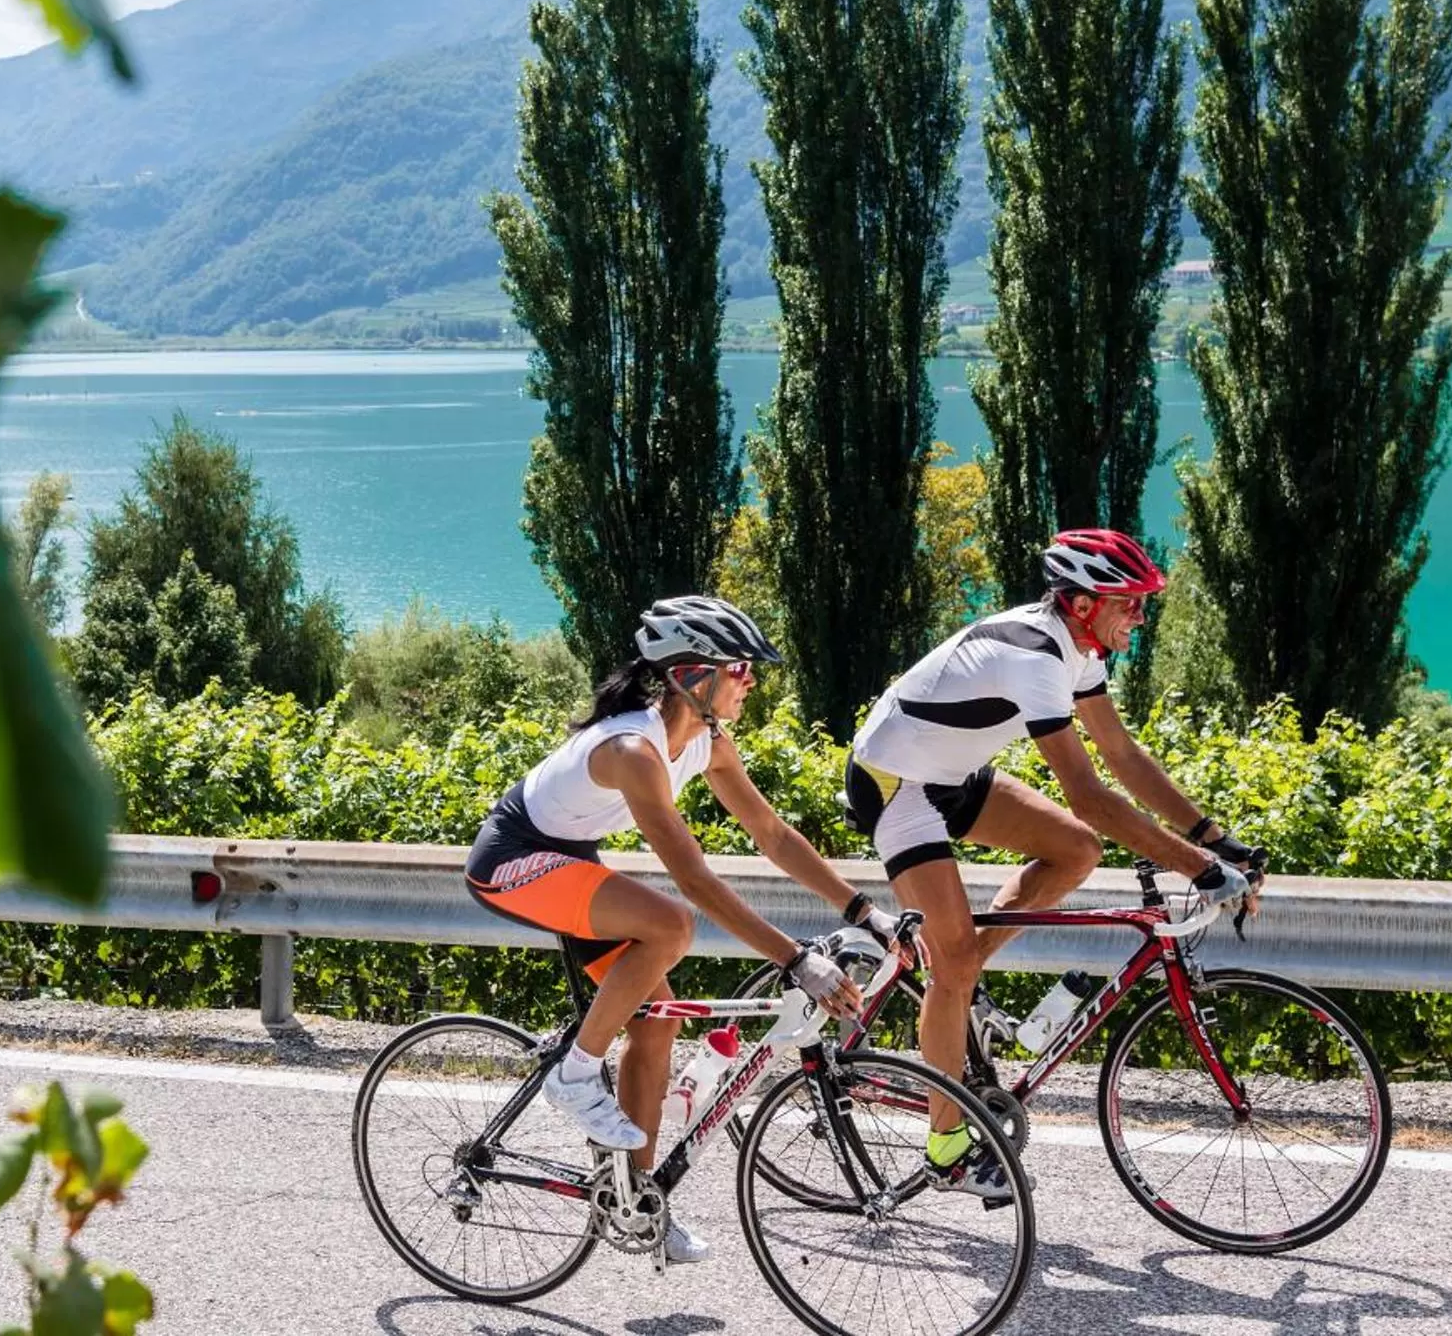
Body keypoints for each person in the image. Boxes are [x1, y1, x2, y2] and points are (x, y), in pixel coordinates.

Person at [465, 594, 892, 1265]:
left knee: (657, 1022)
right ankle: (575, 1074)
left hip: (570, 860)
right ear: (694, 675)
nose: (751, 681)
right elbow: (692, 879)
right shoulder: (633, 749)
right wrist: (794, 959)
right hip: (512, 860)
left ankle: (634, 1201)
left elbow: (773, 834)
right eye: (740, 669)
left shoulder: (708, 742)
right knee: (670, 922)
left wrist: (862, 909)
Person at [846, 528, 1263, 1200]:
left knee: (1077, 850)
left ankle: (959, 978)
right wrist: (1198, 868)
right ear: (1082, 603)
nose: (1140, 616)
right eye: (1129, 602)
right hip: (895, 782)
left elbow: (1123, 756)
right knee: (955, 962)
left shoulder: (1079, 650)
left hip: (950, 776)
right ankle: (948, 1148)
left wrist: (1215, 839)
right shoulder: (1035, 658)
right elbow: (1089, 795)